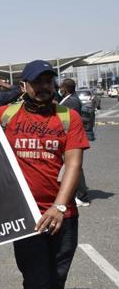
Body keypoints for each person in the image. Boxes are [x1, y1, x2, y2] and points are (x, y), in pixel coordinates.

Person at [0, 60, 89, 289]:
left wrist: (59, 206)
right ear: (24, 85)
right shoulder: (5, 114)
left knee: (57, 277)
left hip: (63, 216)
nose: (44, 87)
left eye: (48, 81)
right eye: (37, 82)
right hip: (26, 217)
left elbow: (73, 163)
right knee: (36, 281)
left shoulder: (68, 117)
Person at [58, 79, 90, 207]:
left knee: (75, 167)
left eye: (61, 87)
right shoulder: (70, 98)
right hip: (69, 138)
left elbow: (67, 119)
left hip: (72, 138)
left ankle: (82, 196)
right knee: (73, 166)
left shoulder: (72, 101)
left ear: (65, 88)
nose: (60, 89)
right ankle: (79, 194)